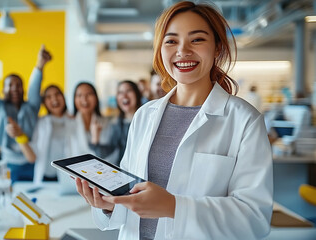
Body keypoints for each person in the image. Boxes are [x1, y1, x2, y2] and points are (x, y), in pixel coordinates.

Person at [75, 2, 273, 239]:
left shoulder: (244, 121)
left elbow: (254, 219)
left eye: (197, 40)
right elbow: (131, 195)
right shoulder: (144, 115)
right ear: (160, 49)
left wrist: (174, 206)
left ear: (217, 48)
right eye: (171, 41)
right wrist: (109, 205)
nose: (183, 51)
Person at [0, 45, 52, 182]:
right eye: (10, 85)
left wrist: (40, 65)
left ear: (23, 89)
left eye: (19, 85)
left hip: (32, 162)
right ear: (3, 90)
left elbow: (35, 87)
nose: (15, 88)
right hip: (9, 165)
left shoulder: (31, 107)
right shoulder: (0, 107)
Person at [28, 85, 90, 185]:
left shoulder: (74, 120)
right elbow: (35, 149)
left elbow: (83, 147)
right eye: (49, 97)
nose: (54, 99)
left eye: (57, 94)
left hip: (68, 177)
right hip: (46, 176)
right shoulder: (41, 122)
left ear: (64, 98)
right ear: (44, 102)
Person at [90, 80, 142, 166]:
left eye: (128, 91)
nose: (124, 95)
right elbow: (106, 152)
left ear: (137, 94)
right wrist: (96, 138)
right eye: (120, 92)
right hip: (123, 173)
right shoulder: (116, 124)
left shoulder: (147, 120)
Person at [73, 82, 112, 152]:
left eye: (89, 94)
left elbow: (111, 155)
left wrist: (95, 139)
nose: (84, 99)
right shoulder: (69, 123)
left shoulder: (107, 123)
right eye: (79, 95)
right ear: (74, 99)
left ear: (96, 98)